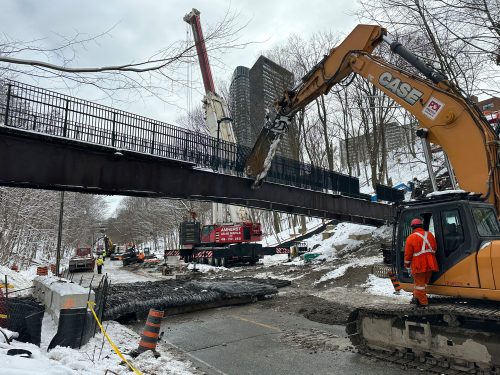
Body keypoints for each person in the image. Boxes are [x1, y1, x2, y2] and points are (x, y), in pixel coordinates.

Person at [404, 218, 439, 307]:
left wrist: (407, 265)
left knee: (419, 286)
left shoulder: (411, 238)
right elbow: (434, 248)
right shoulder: (430, 235)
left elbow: (408, 255)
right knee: (423, 285)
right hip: (431, 263)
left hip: (419, 265)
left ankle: (423, 304)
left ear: (412, 227)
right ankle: (416, 298)